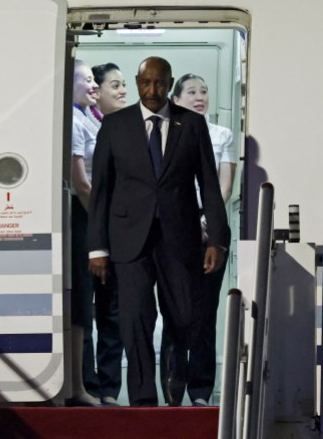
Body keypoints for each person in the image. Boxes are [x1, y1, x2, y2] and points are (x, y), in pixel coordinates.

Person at [87, 56, 229, 407]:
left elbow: (209, 186)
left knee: (183, 316)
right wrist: (97, 248)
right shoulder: (115, 125)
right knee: (135, 319)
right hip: (128, 240)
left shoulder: (191, 125)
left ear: (170, 83)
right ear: (138, 83)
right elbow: (101, 190)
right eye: (146, 83)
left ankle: (174, 380)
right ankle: (142, 402)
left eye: (160, 84)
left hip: (179, 239)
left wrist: (218, 240)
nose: (153, 91)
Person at [170, 73, 237, 406]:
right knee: (175, 310)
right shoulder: (169, 132)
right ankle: (173, 386)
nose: (200, 96)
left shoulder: (222, 134)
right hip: (175, 231)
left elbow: (223, 187)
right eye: (191, 91)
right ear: (177, 99)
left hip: (211, 228)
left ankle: (200, 390)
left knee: (205, 312)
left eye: (204, 91)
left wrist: (204, 218)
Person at [81, 63, 127, 406]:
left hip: (119, 230)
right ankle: (89, 384)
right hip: (91, 227)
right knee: (87, 307)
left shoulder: (119, 126)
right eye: (115, 85)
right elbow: (87, 185)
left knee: (113, 311)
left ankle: (110, 387)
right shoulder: (84, 124)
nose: (122, 91)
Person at [68, 59, 102, 406]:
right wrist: (102, 225)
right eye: (87, 79)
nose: (95, 85)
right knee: (79, 299)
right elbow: (81, 182)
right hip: (81, 215)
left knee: (85, 300)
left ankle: (79, 385)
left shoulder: (89, 117)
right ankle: (75, 387)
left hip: (89, 214)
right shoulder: (73, 122)